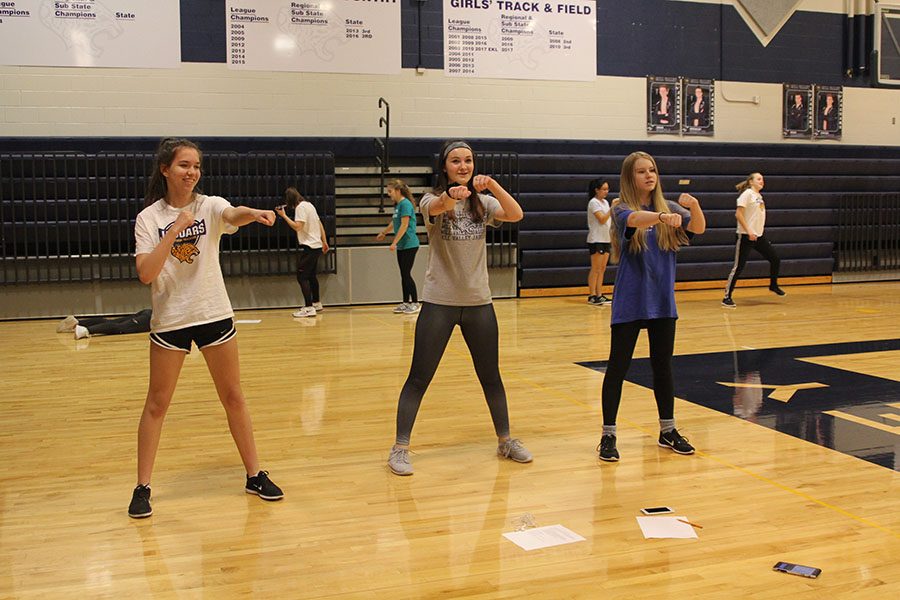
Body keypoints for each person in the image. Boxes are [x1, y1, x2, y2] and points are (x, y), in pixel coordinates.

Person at [128, 137, 283, 519]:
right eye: (183, 165)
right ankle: (142, 487)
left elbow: (233, 214)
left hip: (213, 312)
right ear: (165, 169)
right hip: (171, 320)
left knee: (233, 396)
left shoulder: (209, 206)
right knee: (157, 403)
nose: (191, 172)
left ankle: (254, 474)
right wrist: (175, 228)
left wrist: (256, 213)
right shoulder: (148, 218)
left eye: (196, 166)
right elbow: (147, 273)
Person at [387, 140, 531, 476]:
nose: (463, 166)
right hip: (440, 301)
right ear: (445, 167)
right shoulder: (428, 200)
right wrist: (451, 196)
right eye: (456, 161)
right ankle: (399, 448)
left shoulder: (485, 203)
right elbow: (436, 207)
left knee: (490, 376)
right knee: (419, 376)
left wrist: (492, 184)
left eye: (468, 161)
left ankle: (505, 440)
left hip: (479, 302)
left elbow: (516, 214)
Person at [597, 151, 706, 462]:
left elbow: (698, 228)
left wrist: (693, 206)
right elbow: (634, 220)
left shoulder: (670, 208)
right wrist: (660, 218)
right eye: (642, 171)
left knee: (663, 367)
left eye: (653, 170)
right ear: (630, 177)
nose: (649, 175)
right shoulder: (620, 209)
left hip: (662, 302)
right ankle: (608, 434)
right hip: (631, 301)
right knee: (617, 367)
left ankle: (667, 430)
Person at [722, 172, 785, 308]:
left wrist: (756, 231)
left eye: (762, 179)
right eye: (759, 179)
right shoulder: (747, 194)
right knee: (738, 267)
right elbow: (738, 214)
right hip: (745, 236)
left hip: (758, 236)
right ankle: (727, 297)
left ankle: (773, 285)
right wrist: (749, 230)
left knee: (775, 259)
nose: (762, 181)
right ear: (751, 182)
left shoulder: (758, 196)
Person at [275, 187, 329, 318]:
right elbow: (319, 223)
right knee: (311, 276)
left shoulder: (300, 208)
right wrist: (324, 241)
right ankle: (316, 303)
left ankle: (309, 307)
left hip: (309, 247)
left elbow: (298, 226)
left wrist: (284, 216)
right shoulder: (310, 205)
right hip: (316, 245)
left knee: (302, 276)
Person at [376, 179, 421, 314]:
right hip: (402, 245)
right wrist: (384, 232)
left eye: (390, 191)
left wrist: (394, 242)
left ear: (398, 191)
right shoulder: (398, 205)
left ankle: (415, 303)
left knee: (406, 274)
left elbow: (404, 225)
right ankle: (405, 302)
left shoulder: (405, 204)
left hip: (410, 244)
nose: (389, 194)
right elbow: (394, 222)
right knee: (403, 274)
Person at [586, 178, 612, 306]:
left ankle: (599, 294)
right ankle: (592, 295)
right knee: (595, 268)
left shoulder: (605, 202)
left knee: (602, 269)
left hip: (606, 238)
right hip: (596, 239)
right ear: (597, 190)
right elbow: (602, 219)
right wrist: (612, 209)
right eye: (604, 189)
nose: (606, 191)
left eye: (607, 189)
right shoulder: (594, 203)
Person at [56, 309, 152, 340]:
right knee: (121, 328)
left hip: (148, 312)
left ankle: (78, 323)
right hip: (150, 319)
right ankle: (86, 330)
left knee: (112, 322)